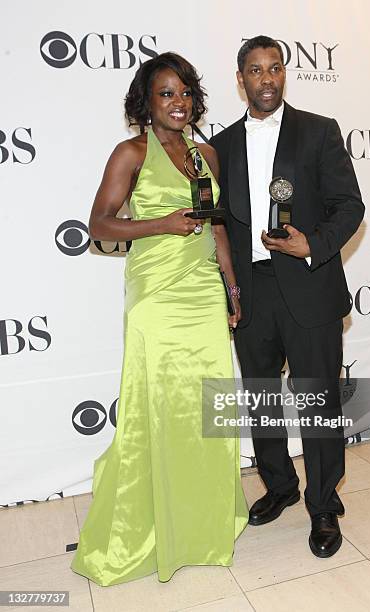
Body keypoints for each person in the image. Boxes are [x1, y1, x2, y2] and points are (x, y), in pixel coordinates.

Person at [70, 52, 248, 586]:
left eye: (186, 92)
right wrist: (159, 223)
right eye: (166, 93)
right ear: (146, 102)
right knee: (159, 406)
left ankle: (201, 523)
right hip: (156, 295)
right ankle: (142, 528)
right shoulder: (131, 153)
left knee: (206, 408)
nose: (179, 102)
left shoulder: (208, 155)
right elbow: (98, 224)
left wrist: (231, 287)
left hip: (201, 293)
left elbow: (216, 227)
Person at [210, 36, 364, 558]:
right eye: (255, 70)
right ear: (241, 79)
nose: (267, 78)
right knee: (262, 402)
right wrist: (227, 288)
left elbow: (349, 205)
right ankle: (279, 486)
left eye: (275, 68)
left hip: (309, 285)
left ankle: (323, 505)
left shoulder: (318, 131)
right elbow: (218, 228)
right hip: (250, 292)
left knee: (319, 402)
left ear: (284, 74)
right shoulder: (221, 144)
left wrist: (312, 245)